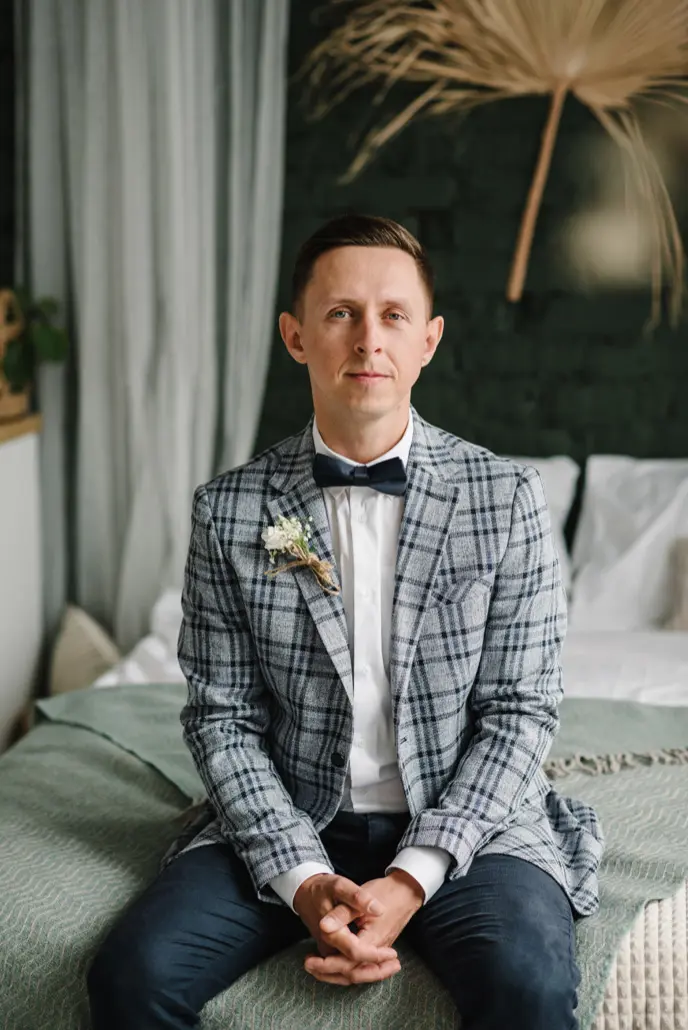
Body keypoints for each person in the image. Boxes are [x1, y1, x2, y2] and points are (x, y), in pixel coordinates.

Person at [87, 213, 605, 1029]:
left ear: (428, 340)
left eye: (393, 315)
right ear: (296, 336)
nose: (369, 339)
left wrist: (411, 877)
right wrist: (300, 876)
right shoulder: (229, 510)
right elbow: (222, 719)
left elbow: (521, 712)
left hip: (472, 827)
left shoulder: (507, 499)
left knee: (529, 988)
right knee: (133, 975)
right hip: (292, 814)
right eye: (341, 313)